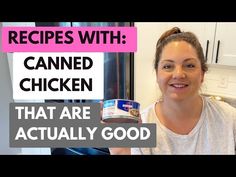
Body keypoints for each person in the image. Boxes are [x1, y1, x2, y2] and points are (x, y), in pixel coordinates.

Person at [109, 27, 236, 155]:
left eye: (189, 65)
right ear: (157, 75)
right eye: (168, 66)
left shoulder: (229, 118)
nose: (179, 74)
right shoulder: (140, 127)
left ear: (202, 74)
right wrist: (121, 152)